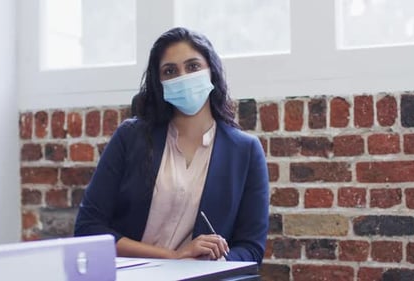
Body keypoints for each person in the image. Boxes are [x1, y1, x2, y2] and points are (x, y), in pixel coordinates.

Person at [74, 27, 269, 263]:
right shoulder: (130, 137)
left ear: (212, 72)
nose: (183, 77)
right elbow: (88, 228)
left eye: (193, 66)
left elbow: (251, 248)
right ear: (160, 83)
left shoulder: (245, 151)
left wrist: (209, 260)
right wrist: (173, 256)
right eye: (170, 71)